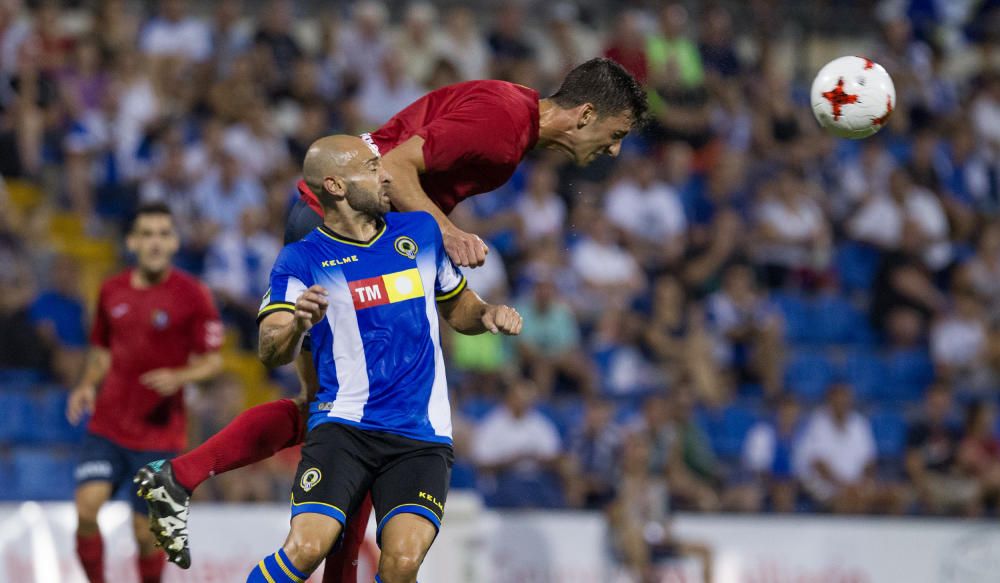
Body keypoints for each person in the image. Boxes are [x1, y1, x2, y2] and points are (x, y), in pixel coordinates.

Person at [137, 57, 646, 575]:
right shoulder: (504, 126)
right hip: (341, 226)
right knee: (338, 408)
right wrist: (447, 233)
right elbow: (398, 166)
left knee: (347, 408)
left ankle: (181, 477)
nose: (615, 149)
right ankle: (181, 476)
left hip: (365, 228)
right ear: (584, 115)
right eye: (616, 133)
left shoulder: (512, 109)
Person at [240, 135, 521, 582]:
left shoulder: (420, 233)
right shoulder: (302, 259)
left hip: (420, 434)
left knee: (402, 563)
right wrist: (296, 323)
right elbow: (269, 349)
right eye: (371, 168)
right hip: (344, 427)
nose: (386, 175)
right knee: (306, 549)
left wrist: (485, 313)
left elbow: (458, 306)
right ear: (334, 185)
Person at [67, 203, 222, 583]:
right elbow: (102, 351)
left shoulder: (193, 294)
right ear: (132, 241)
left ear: (174, 242)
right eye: (147, 234)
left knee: (145, 534)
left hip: (160, 434)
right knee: (87, 509)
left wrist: (180, 375)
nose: (155, 242)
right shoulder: (110, 290)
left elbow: (213, 360)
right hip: (108, 425)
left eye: (163, 234)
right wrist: (87, 385)